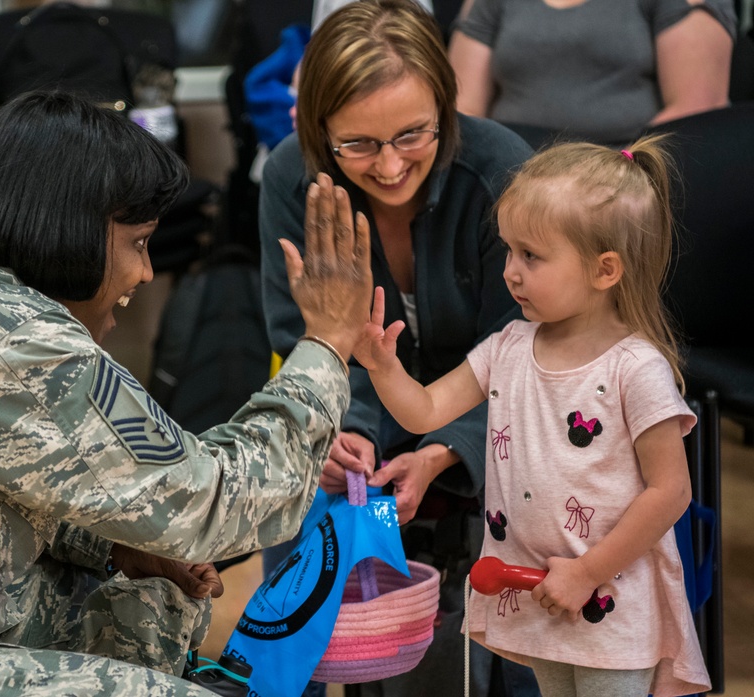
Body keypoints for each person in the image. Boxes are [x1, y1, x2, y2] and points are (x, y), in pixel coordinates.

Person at [0, 89, 373, 697]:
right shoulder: (15, 345)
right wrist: (327, 344)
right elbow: (210, 505)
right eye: (137, 242)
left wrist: (113, 545)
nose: (146, 272)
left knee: (149, 590)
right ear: (71, 228)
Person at [354, 135, 710, 696]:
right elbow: (424, 411)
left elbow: (671, 492)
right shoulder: (509, 346)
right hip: (538, 595)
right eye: (509, 252)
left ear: (605, 269)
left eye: (531, 256)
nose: (509, 273)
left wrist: (589, 573)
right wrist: (382, 366)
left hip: (609, 606)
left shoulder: (636, 368)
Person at [259, 1, 537, 695]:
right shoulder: (292, 176)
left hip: (496, 419)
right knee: (293, 498)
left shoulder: (502, 169)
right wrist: (339, 436)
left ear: (447, 107)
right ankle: (282, 682)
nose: (388, 166)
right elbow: (303, 336)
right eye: (358, 144)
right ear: (319, 130)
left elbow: (525, 353)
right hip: (359, 417)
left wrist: (445, 448)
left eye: (412, 135)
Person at [448, 0, 736, 145]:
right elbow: (463, 108)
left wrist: (609, 176)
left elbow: (697, 109)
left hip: (627, 180)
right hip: (511, 177)